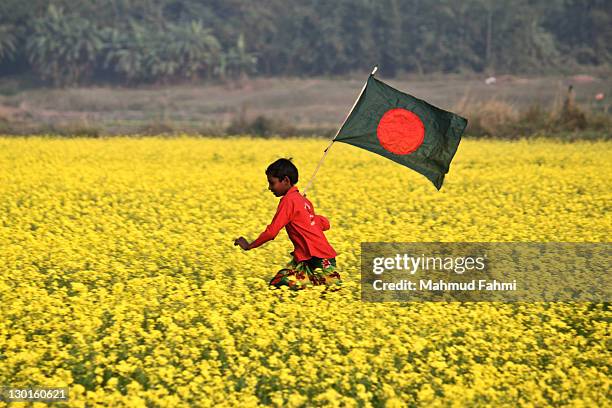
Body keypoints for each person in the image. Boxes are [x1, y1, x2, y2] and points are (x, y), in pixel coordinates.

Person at [234, 158, 342, 292]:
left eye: (272, 183)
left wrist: (249, 245)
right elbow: (322, 224)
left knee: (326, 292)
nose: (269, 188)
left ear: (286, 180)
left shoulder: (289, 201)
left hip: (319, 258)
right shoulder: (304, 201)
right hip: (310, 257)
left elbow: (272, 232)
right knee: (302, 290)